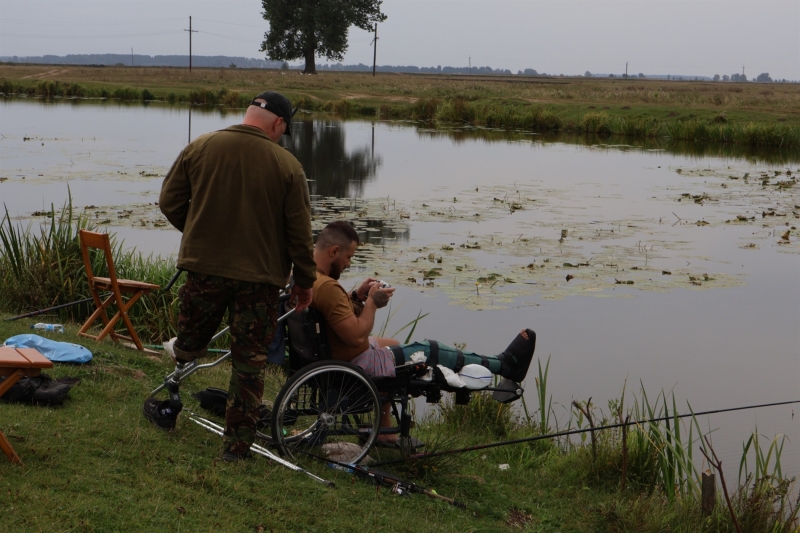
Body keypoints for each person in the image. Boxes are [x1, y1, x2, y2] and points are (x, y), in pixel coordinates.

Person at [143, 91, 317, 462]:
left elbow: (169, 202)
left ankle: (173, 392)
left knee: (189, 345)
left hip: (203, 271)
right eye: (282, 131)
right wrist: (304, 282)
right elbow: (300, 236)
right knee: (249, 364)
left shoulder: (201, 146)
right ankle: (236, 449)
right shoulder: (288, 166)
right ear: (278, 124)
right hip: (260, 282)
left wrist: (199, 234)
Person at [310, 221, 536, 440]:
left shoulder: (309, 277)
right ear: (334, 251)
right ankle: (504, 365)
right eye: (348, 257)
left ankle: (383, 429)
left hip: (333, 356)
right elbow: (355, 335)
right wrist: (371, 303)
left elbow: (337, 318)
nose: (349, 264)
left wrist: (356, 297)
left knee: (394, 344)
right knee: (429, 350)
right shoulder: (329, 288)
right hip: (352, 364)